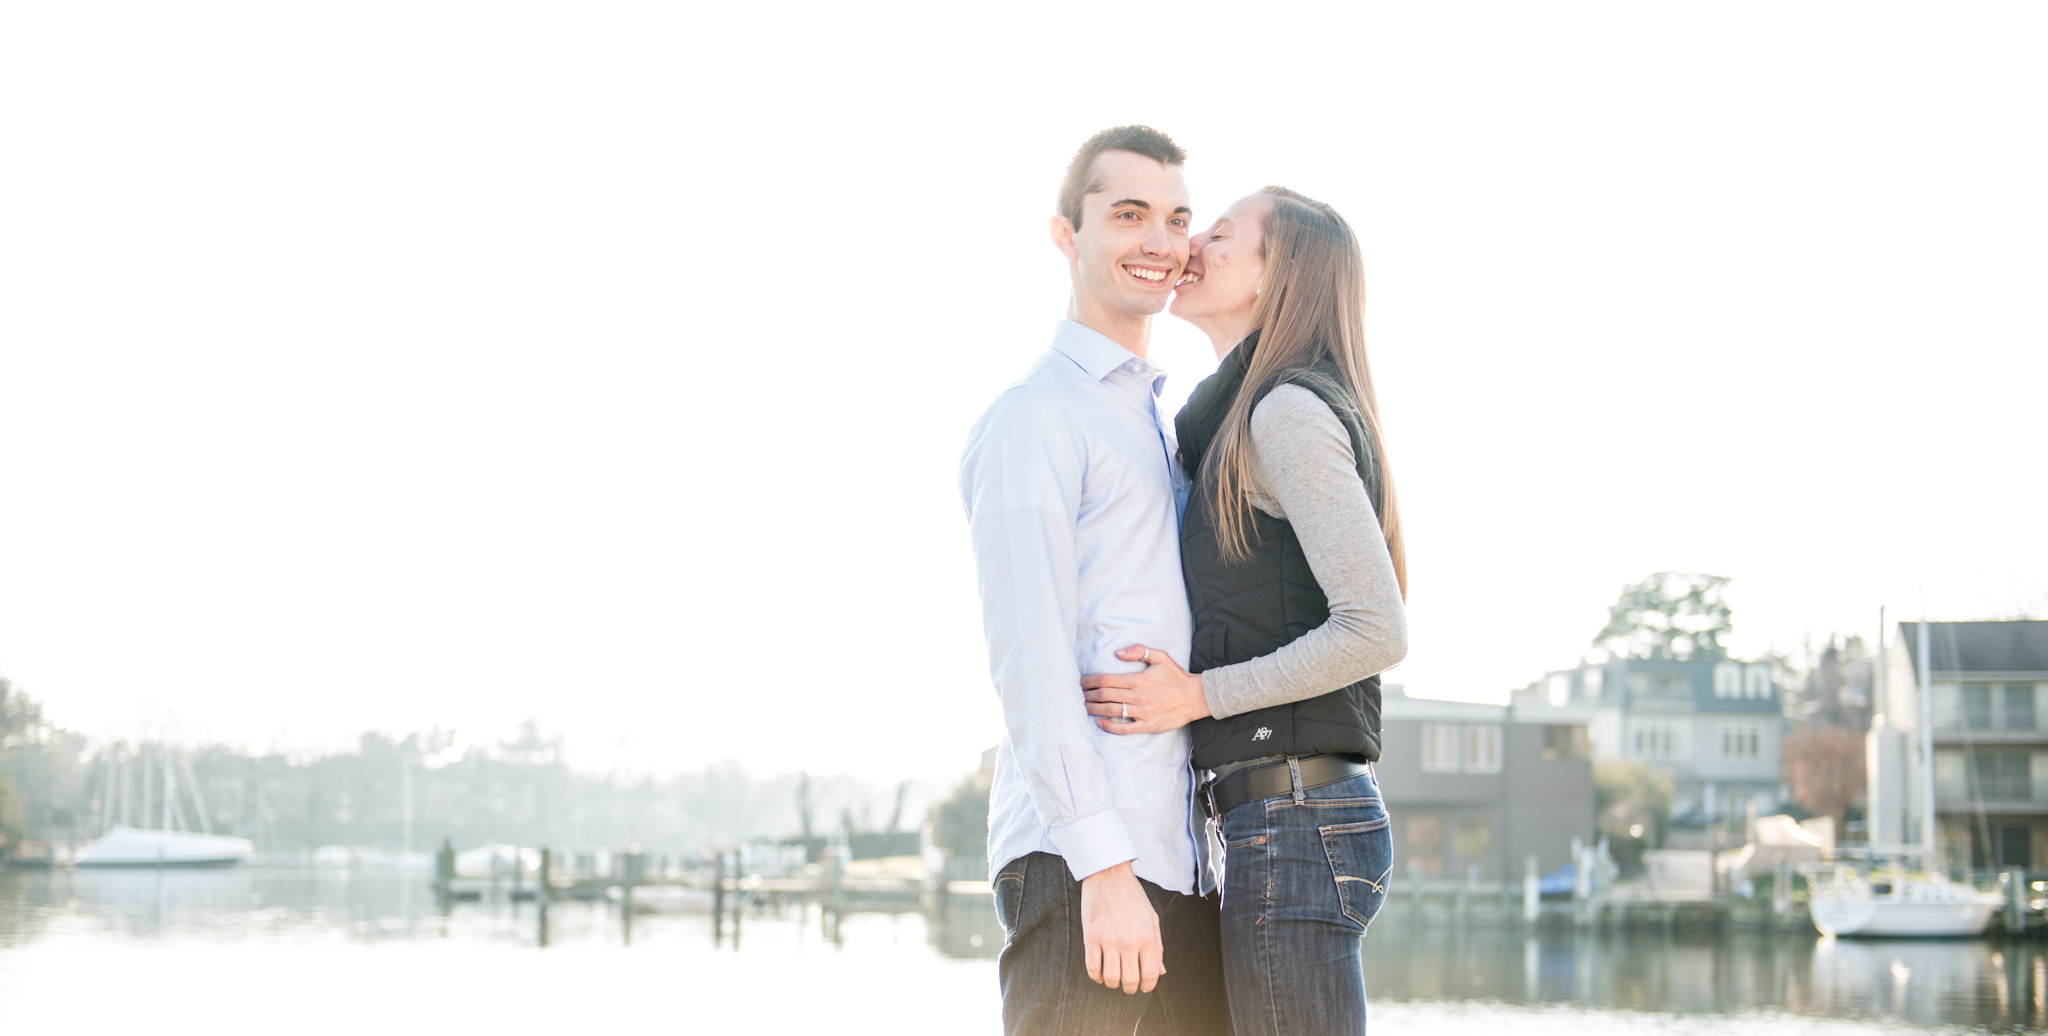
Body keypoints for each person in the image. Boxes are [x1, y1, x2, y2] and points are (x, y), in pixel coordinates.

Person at [1079, 186, 1410, 1036]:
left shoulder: (1286, 412)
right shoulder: (1224, 420)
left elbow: (1376, 628)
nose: (1192, 247)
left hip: (1300, 821)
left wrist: (1199, 694)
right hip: (1273, 821)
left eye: (1220, 236)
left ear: (1277, 276)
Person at [958, 126, 1232, 1036]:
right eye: (1128, 214)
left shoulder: (1155, 423)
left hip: (1176, 862)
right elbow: (1030, 663)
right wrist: (1103, 871)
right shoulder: (1035, 419)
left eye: (1178, 218)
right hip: (1085, 861)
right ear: (1065, 237)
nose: (1160, 241)